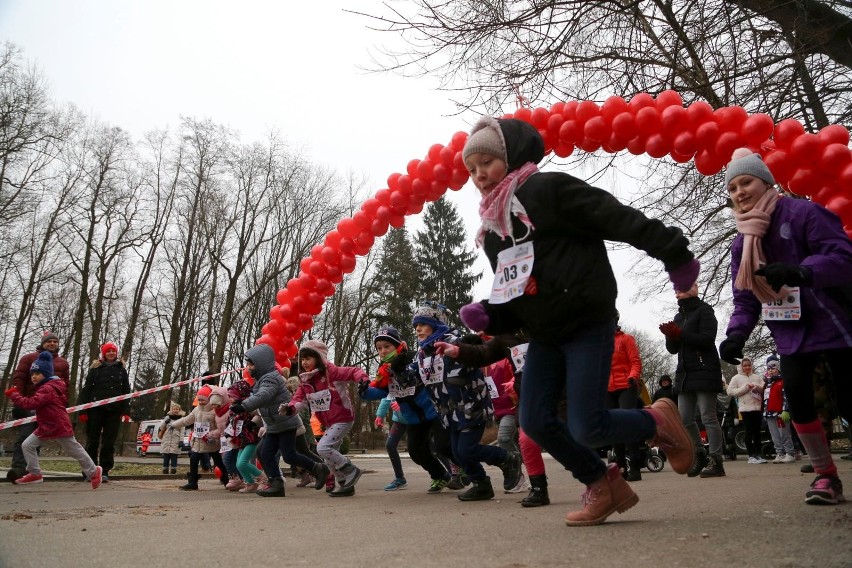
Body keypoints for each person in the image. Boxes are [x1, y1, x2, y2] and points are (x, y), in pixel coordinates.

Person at [459, 116, 697, 525]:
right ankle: (602, 483)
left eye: (487, 162)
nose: (479, 174)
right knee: (533, 420)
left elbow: (617, 217)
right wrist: (491, 312)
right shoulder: (494, 231)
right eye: (472, 168)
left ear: (511, 155)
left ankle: (657, 419)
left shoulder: (549, 189)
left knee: (588, 425)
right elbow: (515, 293)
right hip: (546, 336)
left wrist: (672, 251)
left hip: (587, 320)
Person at [717, 148, 852, 505]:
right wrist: (736, 335)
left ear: (765, 181)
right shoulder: (741, 244)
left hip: (834, 321)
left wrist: (803, 271)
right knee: (799, 400)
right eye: (732, 188)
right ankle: (827, 477)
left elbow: (843, 257)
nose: (739, 192)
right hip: (791, 332)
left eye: (746, 182)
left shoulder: (803, 212)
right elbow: (745, 297)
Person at [406, 301, 522, 502]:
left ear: (436, 323)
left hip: (470, 405)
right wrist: (399, 371)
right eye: (416, 325)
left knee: (466, 450)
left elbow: (479, 351)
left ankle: (507, 459)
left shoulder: (454, 340)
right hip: (449, 411)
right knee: (458, 454)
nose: (418, 329)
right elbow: (414, 378)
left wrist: (471, 345)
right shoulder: (422, 353)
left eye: (423, 324)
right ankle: (482, 485)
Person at [435, 331, 552, 507]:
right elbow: (482, 354)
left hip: (519, 401)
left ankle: (507, 459)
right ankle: (537, 488)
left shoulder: (538, 332)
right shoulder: (502, 343)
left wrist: (513, 382)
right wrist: (460, 351)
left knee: (577, 433)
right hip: (503, 404)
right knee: (459, 450)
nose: (418, 329)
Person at [360, 325, 454, 494]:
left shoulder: (413, 358)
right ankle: (440, 475)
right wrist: (365, 392)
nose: (382, 351)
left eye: (387, 347)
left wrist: (405, 372)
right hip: (413, 418)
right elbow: (382, 391)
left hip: (432, 411)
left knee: (443, 446)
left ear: (398, 345)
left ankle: (464, 470)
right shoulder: (384, 370)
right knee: (416, 452)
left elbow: (425, 376)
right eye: (379, 348)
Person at [236, 343, 328, 497]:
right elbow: (261, 403)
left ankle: (318, 468)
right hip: (274, 424)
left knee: (289, 455)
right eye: (248, 364)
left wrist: (244, 405)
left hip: (285, 422)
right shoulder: (261, 381)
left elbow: (264, 396)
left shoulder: (271, 379)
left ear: (261, 363)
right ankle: (276, 483)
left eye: (251, 364)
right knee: (265, 453)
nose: (248, 368)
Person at [282, 339, 367, 497]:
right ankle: (344, 484)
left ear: (319, 358)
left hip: (343, 417)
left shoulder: (331, 372)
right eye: (303, 359)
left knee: (322, 448)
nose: (305, 362)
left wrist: (363, 380)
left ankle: (351, 470)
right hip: (328, 423)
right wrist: (289, 408)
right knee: (327, 456)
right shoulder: (305, 381)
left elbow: (353, 371)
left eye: (309, 358)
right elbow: (298, 400)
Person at [4, 351, 102, 488]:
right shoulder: (46, 387)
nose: (34, 377)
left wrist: (14, 395)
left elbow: (30, 404)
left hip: (58, 425)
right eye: (32, 374)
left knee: (74, 450)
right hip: (45, 426)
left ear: (46, 373)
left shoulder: (48, 389)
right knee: (27, 445)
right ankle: (35, 473)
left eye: (37, 374)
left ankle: (94, 471)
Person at [659, 282, 726, 478]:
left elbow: (707, 339)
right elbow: (673, 349)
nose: (677, 294)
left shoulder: (705, 311)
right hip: (685, 373)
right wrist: (670, 337)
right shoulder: (679, 316)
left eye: (680, 290)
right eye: (676, 291)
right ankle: (700, 453)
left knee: (708, 416)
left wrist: (681, 333)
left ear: (692, 290)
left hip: (705, 369)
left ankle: (717, 460)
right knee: (685, 418)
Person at [6, 332, 70, 482]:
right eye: (49, 341)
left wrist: (63, 402)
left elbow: (66, 384)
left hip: (50, 407)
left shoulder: (63, 363)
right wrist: (18, 400)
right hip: (30, 403)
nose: (52, 344)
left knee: (38, 438)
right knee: (25, 436)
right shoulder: (29, 358)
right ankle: (19, 468)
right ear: (42, 343)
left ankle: (33, 471)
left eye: (55, 341)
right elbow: (19, 378)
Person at [78, 342, 131, 482]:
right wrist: (82, 411)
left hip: (114, 411)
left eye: (113, 351)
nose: (111, 353)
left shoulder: (121, 370)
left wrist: (126, 411)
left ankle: (105, 470)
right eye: (108, 351)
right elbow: (86, 390)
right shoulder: (96, 368)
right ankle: (90, 471)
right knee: (92, 441)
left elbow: (126, 392)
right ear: (104, 353)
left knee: (108, 443)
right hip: (95, 410)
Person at [168, 384, 226, 491]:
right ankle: (193, 482)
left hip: (211, 442)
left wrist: (215, 435)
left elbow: (220, 426)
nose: (201, 402)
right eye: (199, 400)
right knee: (193, 459)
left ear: (209, 399)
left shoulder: (214, 411)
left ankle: (226, 479)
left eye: (203, 400)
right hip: (197, 442)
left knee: (218, 461)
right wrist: (174, 424)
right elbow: (186, 420)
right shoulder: (196, 410)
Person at [607, 320, 644, 482]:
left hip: (626, 385)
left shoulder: (626, 339)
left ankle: (635, 466)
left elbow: (635, 362)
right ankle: (621, 468)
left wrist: (633, 377)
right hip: (607, 389)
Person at [225, 379, 265, 493]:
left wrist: (252, 421)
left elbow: (259, 415)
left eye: (232, 396)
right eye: (229, 396)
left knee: (242, 462)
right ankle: (250, 483)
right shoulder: (232, 410)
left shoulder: (249, 405)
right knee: (239, 465)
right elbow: (229, 423)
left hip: (252, 438)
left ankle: (263, 478)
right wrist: (228, 435)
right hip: (241, 440)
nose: (230, 398)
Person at [726, 358, 766, 464]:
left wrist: (756, 387)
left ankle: (759, 454)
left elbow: (764, 387)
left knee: (757, 431)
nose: (747, 367)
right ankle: (751, 455)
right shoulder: (736, 378)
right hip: (745, 408)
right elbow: (730, 391)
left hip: (757, 407)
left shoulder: (756, 377)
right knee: (749, 431)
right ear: (741, 367)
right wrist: (745, 388)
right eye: (745, 366)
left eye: (749, 365)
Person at [762, 356, 796, 464]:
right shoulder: (767, 383)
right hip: (769, 413)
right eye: (769, 369)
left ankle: (789, 453)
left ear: (778, 369)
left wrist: (785, 410)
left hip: (781, 413)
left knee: (784, 434)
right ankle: (779, 453)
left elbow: (786, 396)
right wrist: (765, 411)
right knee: (775, 435)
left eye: (773, 368)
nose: (771, 371)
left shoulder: (782, 381)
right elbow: (766, 398)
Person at [158, 403, 185, 474]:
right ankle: (165, 469)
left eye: (177, 409)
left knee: (174, 456)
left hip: (175, 440)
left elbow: (182, 431)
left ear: (179, 410)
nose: (175, 410)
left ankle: (173, 469)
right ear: (171, 410)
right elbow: (161, 428)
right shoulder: (167, 418)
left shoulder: (182, 419)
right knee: (166, 456)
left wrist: (181, 441)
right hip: (166, 439)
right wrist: (165, 422)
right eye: (174, 409)